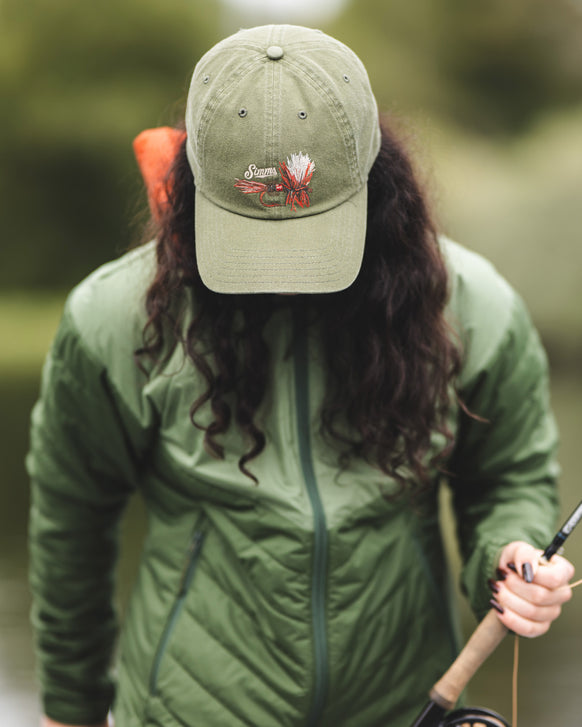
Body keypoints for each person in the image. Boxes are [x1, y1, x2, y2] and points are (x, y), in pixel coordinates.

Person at [29, 25, 574, 727]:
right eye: (254, 241)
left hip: (401, 705)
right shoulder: (111, 320)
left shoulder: (476, 309)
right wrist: (69, 711)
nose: (283, 275)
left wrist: (511, 555)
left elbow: (508, 476)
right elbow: (71, 521)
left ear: (378, 182)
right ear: (194, 187)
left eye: (311, 236)